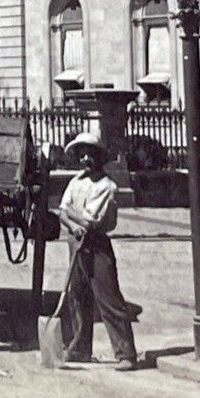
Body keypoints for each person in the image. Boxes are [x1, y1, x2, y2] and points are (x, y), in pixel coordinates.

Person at [57, 127, 138, 371]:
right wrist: (72, 221)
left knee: (108, 298)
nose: (85, 159)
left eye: (90, 154)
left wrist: (73, 217)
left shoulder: (106, 186)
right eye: (82, 154)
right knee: (77, 296)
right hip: (76, 244)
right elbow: (62, 212)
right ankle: (80, 348)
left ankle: (125, 353)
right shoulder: (76, 181)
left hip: (97, 245)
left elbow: (90, 221)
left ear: (100, 157)